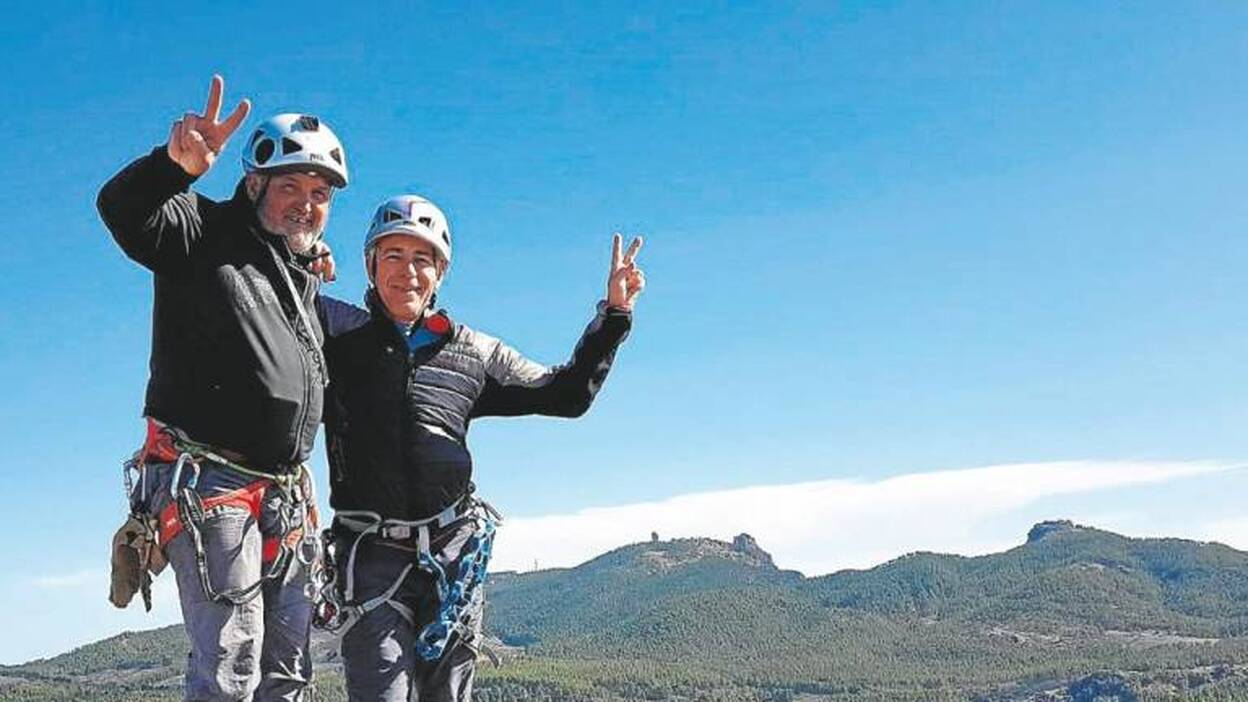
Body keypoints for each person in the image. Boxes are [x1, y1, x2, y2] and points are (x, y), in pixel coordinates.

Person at [314, 195, 645, 702]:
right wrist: (302, 259)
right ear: (370, 264)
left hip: (453, 552)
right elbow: (274, 307)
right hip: (371, 552)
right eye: (393, 255)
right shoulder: (335, 331)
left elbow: (566, 394)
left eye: (422, 259)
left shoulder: (473, 351)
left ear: (441, 273)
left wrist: (614, 316)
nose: (408, 272)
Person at [97, 75, 348, 701]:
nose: (307, 203)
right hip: (210, 482)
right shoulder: (198, 233)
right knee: (232, 664)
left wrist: (309, 264)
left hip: (285, 491)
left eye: (320, 193)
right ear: (254, 183)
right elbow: (123, 210)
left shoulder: (296, 274)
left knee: (288, 666)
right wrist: (170, 168)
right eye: (290, 185)